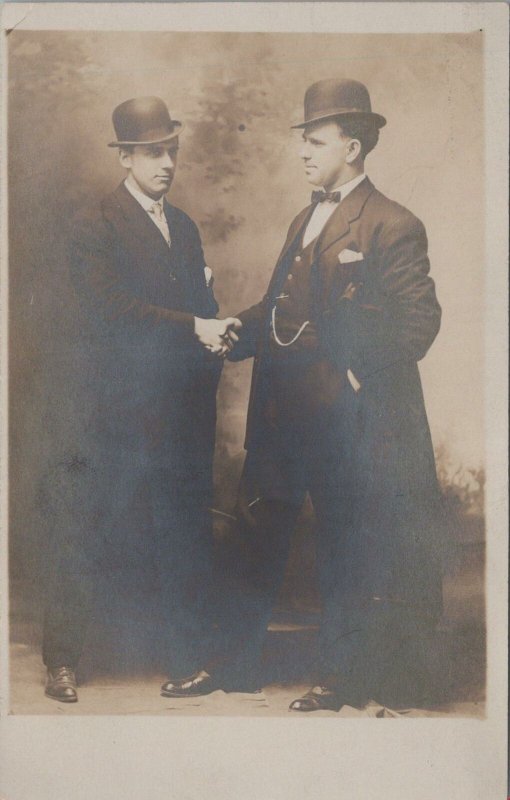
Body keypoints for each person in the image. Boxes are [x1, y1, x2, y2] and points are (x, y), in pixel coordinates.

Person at [161, 78, 444, 711]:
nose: (304, 153)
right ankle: (231, 666)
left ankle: (340, 677)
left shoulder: (394, 224)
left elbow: (419, 322)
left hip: (342, 418)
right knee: (255, 533)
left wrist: (355, 374)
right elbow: (285, 308)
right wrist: (236, 331)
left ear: (353, 144)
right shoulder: (304, 215)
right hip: (280, 411)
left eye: (315, 142)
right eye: (304, 142)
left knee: (345, 541)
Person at [42, 96, 240, 702]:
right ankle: (62, 664)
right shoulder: (94, 224)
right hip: (116, 410)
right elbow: (109, 313)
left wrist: (215, 323)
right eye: (152, 152)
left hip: (178, 409)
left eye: (171, 150)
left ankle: (188, 661)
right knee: (89, 525)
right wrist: (194, 325)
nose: (166, 163)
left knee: (183, 528)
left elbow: (197, 311)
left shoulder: (182, 226)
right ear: (125, 156)